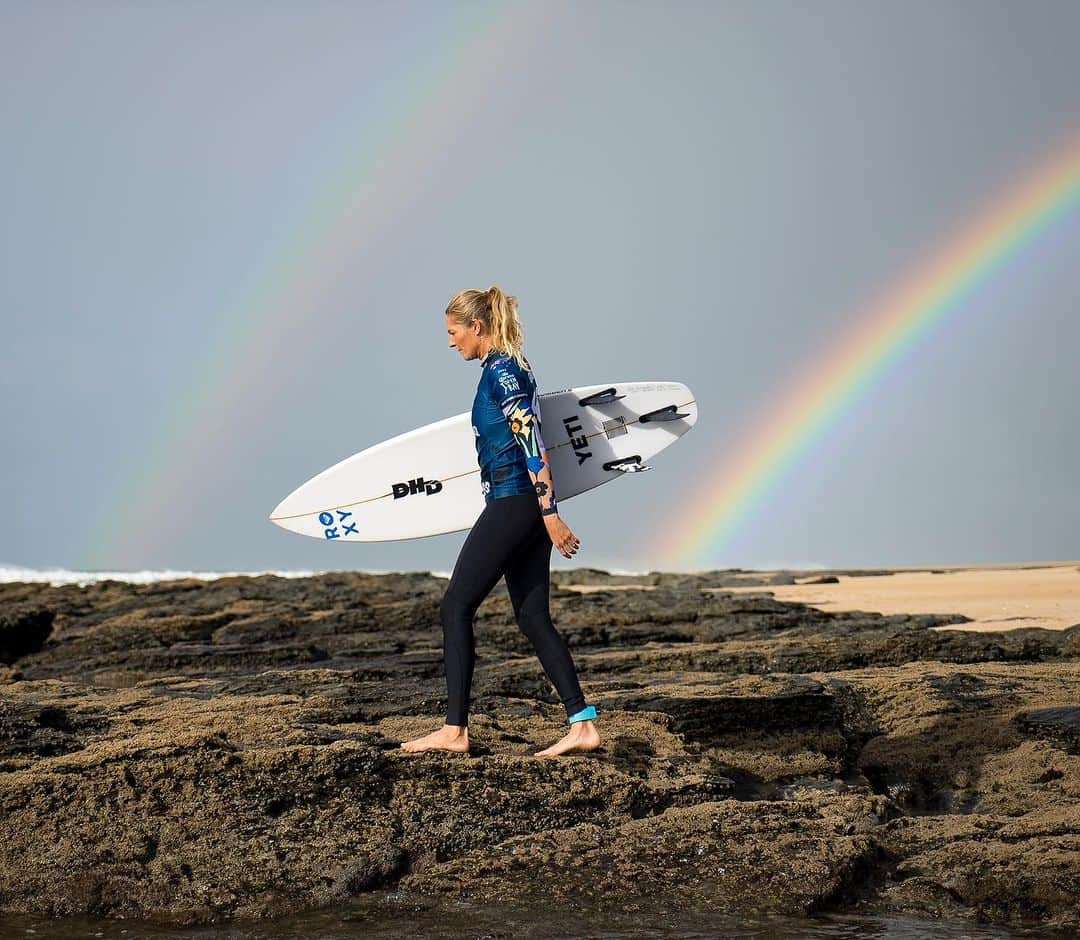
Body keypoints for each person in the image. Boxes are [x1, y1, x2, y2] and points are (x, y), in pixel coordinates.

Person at [400, 286, 602, 758]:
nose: (451, 343)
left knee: (455, 607)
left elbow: (533, 441)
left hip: (515, 501)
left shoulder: (504, 373)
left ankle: (454, 731)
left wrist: (549, 512)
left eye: (453, 332)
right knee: (532, 617)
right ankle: (582, 724)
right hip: (522, 504)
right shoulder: (509, 367)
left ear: (476, 327)